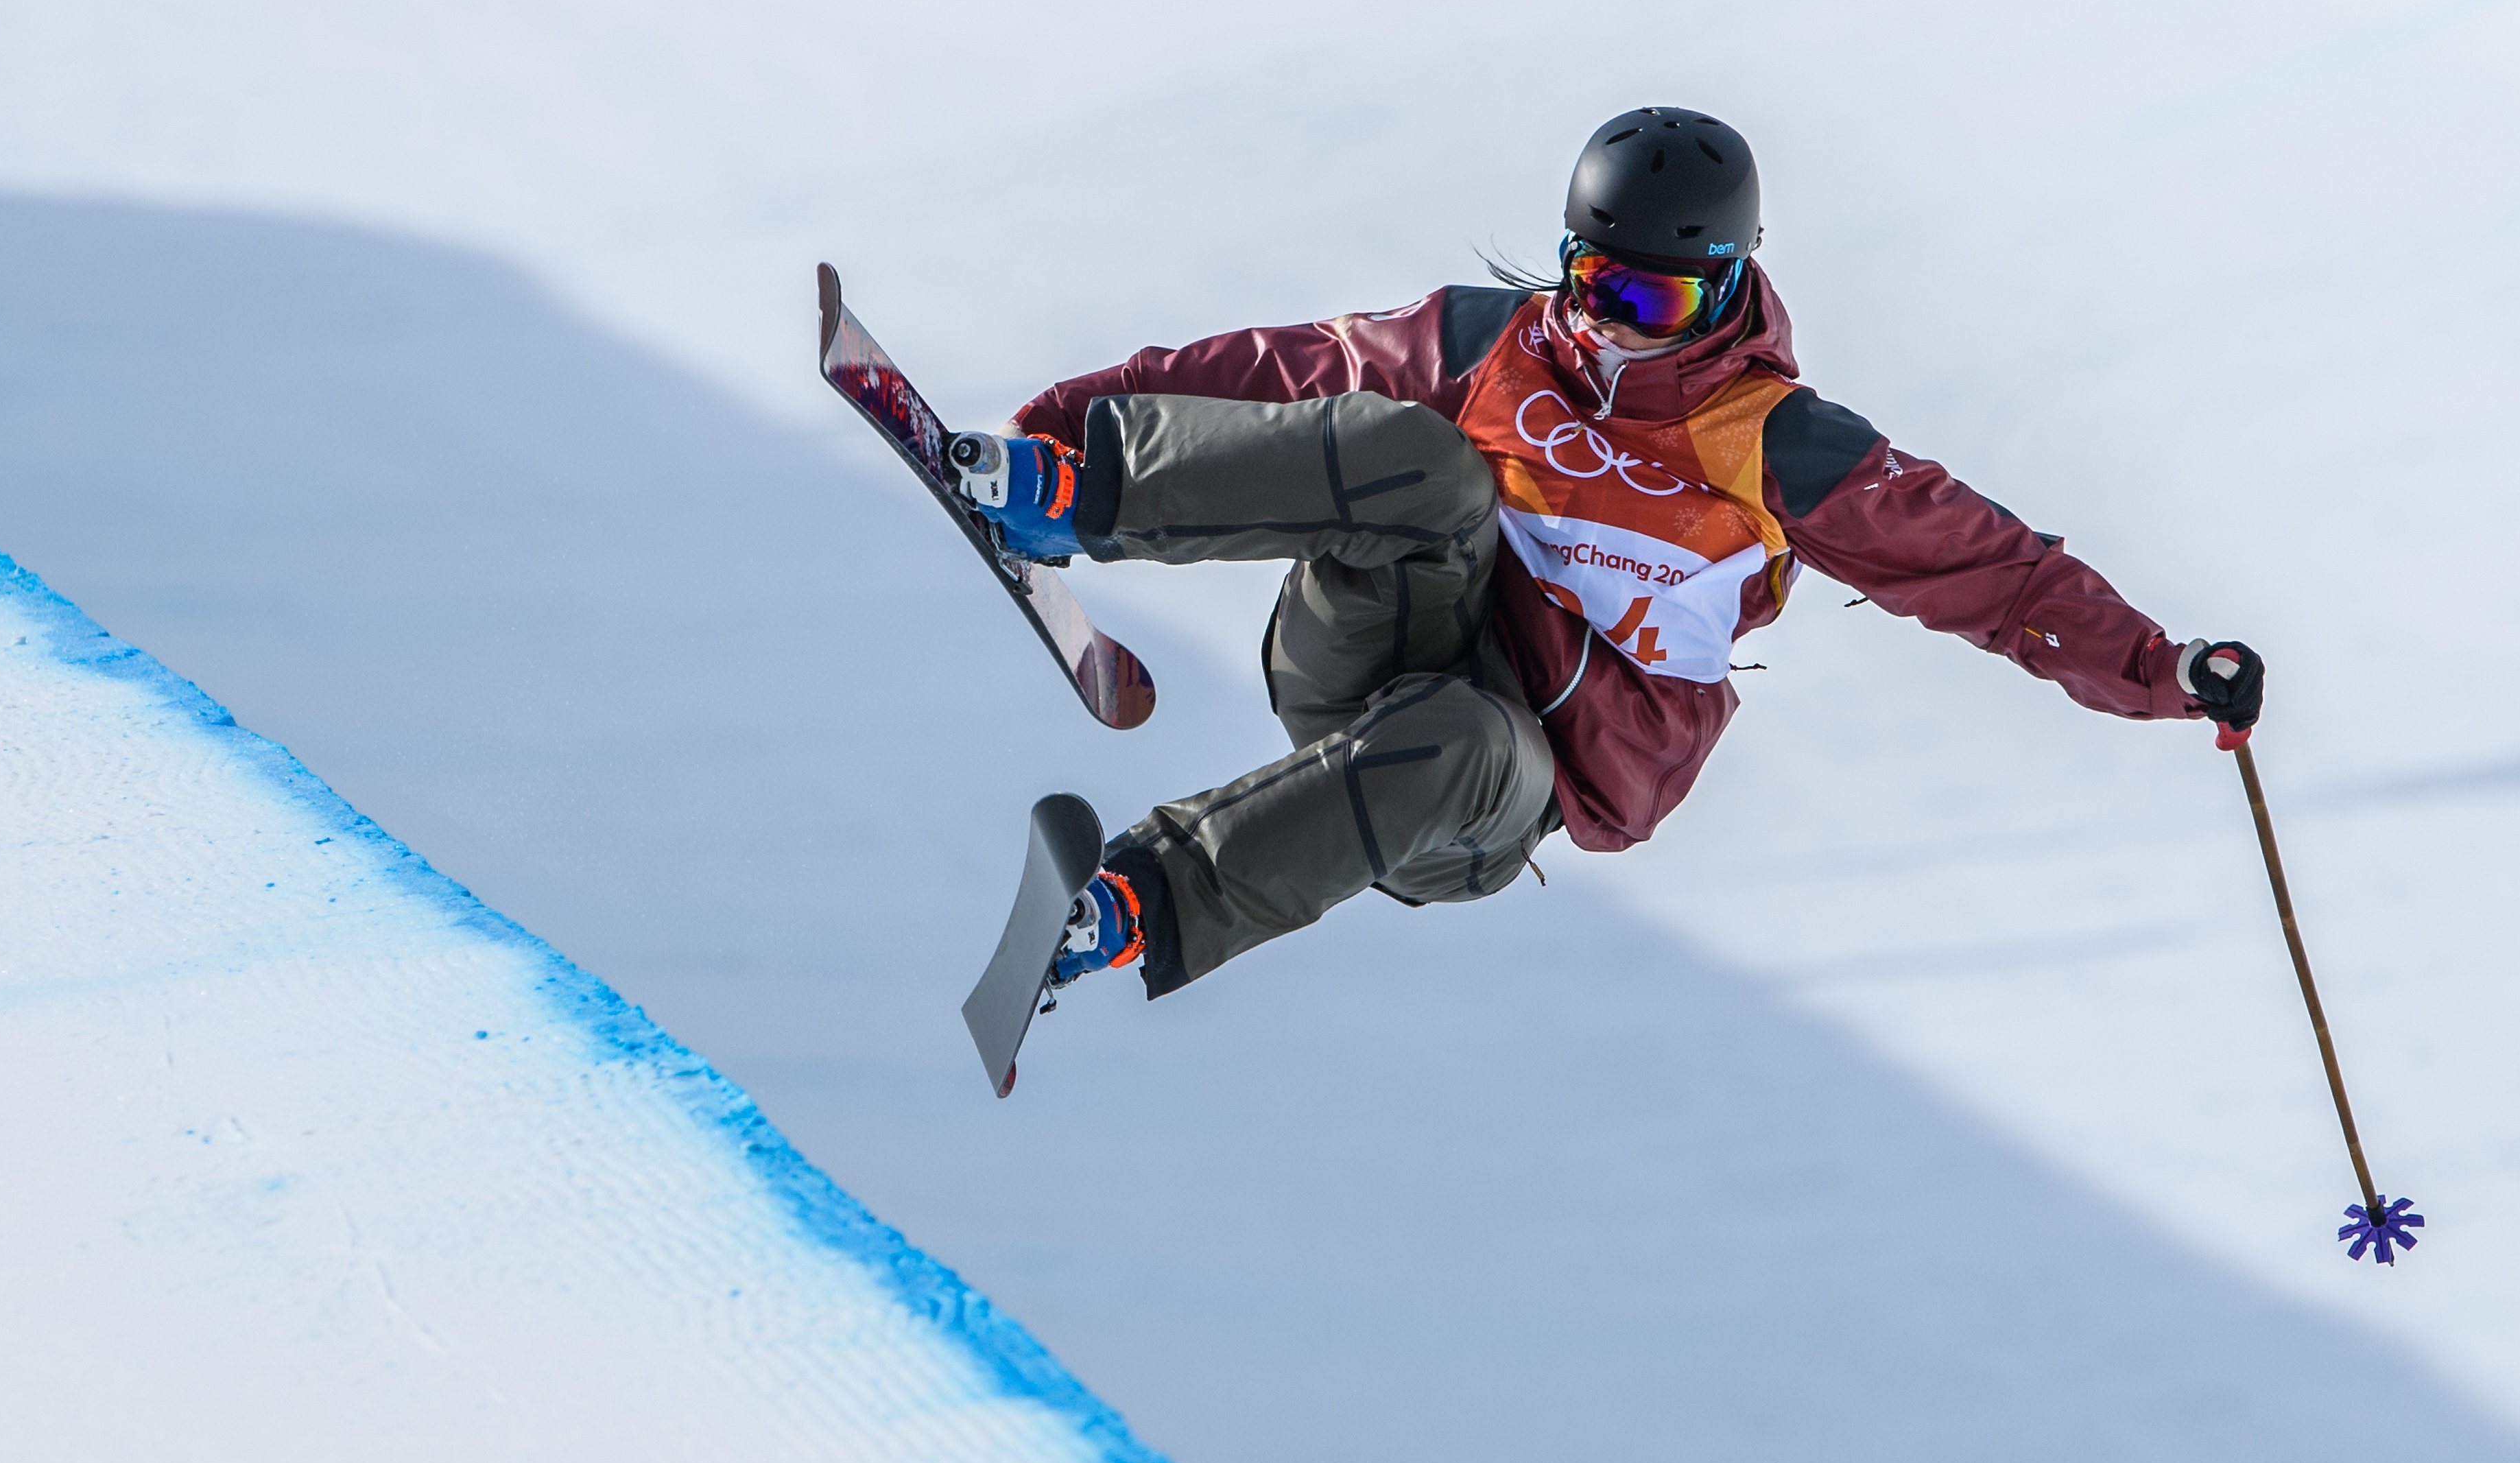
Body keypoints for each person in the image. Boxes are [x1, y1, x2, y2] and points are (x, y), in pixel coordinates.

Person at [959, 106, 2263, 997]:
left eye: (1658, 300)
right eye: (1595, 284)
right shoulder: (1492, 341)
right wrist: (1066, 422)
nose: (1617, 325)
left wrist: (2164, 665)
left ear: (1730, 286)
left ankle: (1128, 913)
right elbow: (1279, 369)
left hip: (1486, 790)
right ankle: (1066, 498)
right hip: (1367, 648)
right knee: (1417, 460)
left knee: (1465, 739)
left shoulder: (1777, 445)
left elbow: (1998, 577)